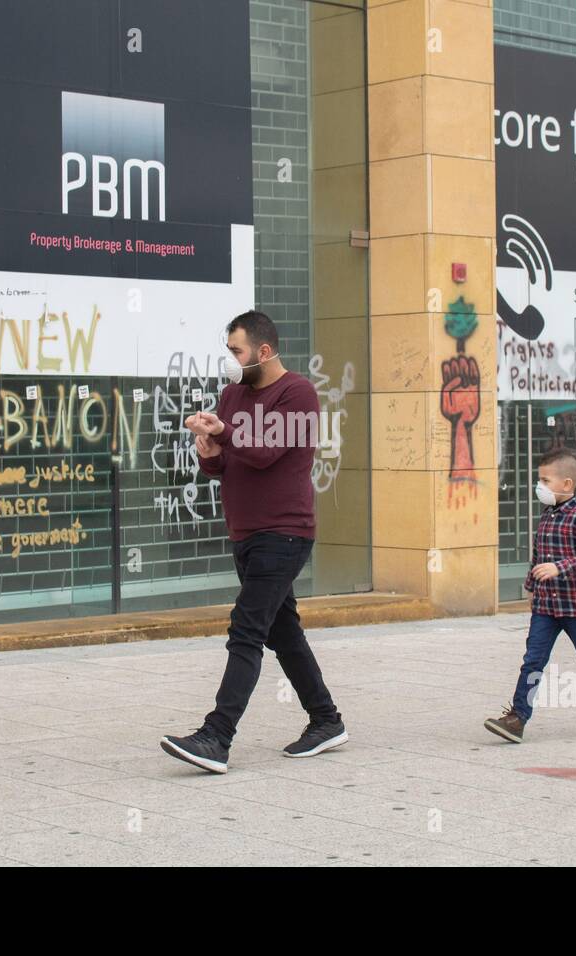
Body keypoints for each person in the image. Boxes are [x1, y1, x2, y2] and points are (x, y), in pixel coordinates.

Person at [160, 309, 346, 774]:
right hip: (244, 531)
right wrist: (208, 451)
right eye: (228, 351)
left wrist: (224, 433)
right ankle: (326, 720)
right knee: (283, 631)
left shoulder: (297, 393)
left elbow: (264, 452)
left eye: (236, 351)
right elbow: (226, 464)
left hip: (284, 532)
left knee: (246, 628)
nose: (231, 360)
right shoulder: (231, 394)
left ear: (263, 351)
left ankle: (216, 737)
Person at [485, 447, 576, 742]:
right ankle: (517, 718)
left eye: (545, 481)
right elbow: (538, 557)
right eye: (539, 480)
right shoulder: (547, 516)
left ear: (567, 484)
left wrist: (559, 568)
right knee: (533, 660)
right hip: (546, 606)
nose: (540, 487)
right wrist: (530, 584)